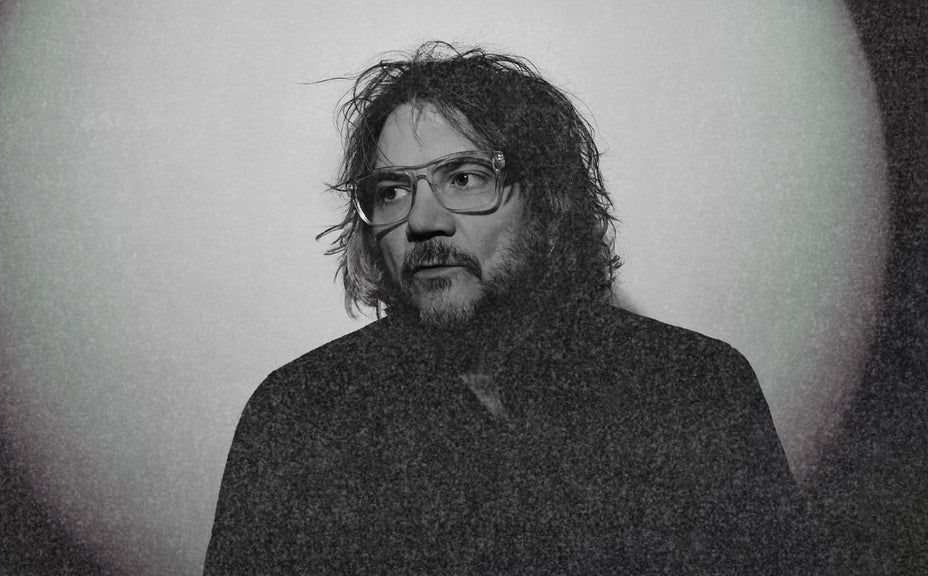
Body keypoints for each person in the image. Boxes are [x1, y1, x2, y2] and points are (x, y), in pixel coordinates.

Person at [204, 42, 805, 575]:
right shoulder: (301, 418)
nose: (422, 221)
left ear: (547, 199)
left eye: (465, 178)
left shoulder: (694, 389)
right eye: (391, 191)